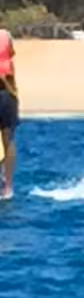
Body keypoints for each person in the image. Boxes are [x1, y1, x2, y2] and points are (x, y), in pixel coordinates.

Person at [1, 28, 19, 199]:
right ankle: (8, 187)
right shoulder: (6, 35)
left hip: (5, 90)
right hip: (8, 93)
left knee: (7, 141)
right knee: (8, 140)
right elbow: (10, 55)